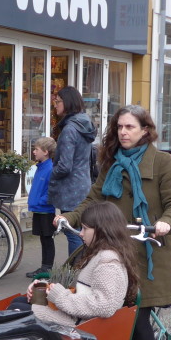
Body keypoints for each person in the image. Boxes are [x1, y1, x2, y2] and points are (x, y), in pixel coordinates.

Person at [58, 104, 171, 340]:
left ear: (145, 130)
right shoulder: (112, 162)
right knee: (89, 302)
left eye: (130, 127)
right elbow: (93, 198)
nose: (124, 133)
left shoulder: (161, 163)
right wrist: (69, 217)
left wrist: (166, 222)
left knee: (137, 316)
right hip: (113, 249)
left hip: (147, 249)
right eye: (120, 127)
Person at [30, 201, 140, 328]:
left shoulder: (108, 263)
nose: (81, 233)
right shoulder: (101, 254)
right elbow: (79, 288)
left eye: (85, 228)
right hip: (78, 320)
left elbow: (104, 306)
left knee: (19, 310)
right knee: (21, 304)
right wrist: (46, 286)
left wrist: (60, 296)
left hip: (81, 327)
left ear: (101, 230)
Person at [49, 86, 96, 256]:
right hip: (83, 185)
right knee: (81, 230)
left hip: (70, 190)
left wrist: (50, 173)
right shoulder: (84, 124)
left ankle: (76, 272)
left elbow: (64, 166)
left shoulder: (69, 129)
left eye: (58, 101)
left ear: (68, 103)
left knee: (73, 233)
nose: (55, 105)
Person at [26, 137, 56, 278]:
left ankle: (47, 268)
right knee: (43, 239)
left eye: (36, 149)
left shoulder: (50, 169)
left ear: (45, 152)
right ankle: (44, 267)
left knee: (47, 239)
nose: (34, 152)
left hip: (45, 210)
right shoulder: (41, 167)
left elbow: (51, 190)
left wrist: (41, 201)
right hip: (39, 208)